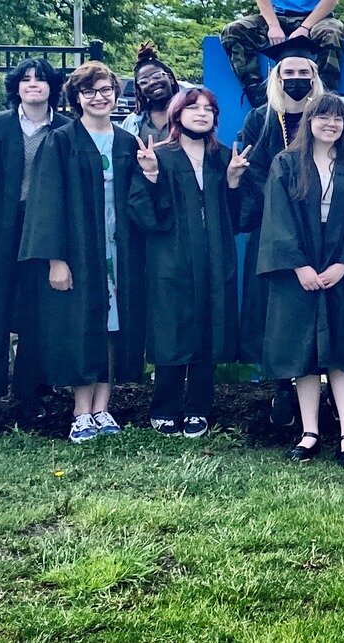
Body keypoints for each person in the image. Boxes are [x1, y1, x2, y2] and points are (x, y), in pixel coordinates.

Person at [21, 61, 148, 444]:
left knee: (114, 325)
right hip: (79, 251)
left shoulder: (128, 143)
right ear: (76, 98)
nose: (99, 97)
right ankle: (81, 412)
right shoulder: (61, 141)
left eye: (106, 89)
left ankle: (103, 408)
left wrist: (152, 175)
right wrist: (56, 259)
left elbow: (141, 203)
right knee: (82, 325)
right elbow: (46, 204)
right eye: (89, 91)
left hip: (119, 252)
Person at [257, 93, 344, 467]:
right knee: (303, 353)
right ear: (308, 121)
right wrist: (299, 267)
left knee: (343, 353)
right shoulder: (286, 164)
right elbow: (277, 218)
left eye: (338, 118)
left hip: (341, 268)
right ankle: (309, 432)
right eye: (323, 117)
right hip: (302, 267)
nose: (331, 124)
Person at [127, 87, 246, 437]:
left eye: (209, 109)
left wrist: (234, 183)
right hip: (171, 258)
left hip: (213, 257)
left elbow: (239, 219)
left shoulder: (225, 157)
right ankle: (164, 406)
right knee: (171, 328)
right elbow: (142, 213)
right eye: (193, 107)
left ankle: (198, 408)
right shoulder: (159, 156)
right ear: (177, 114)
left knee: (209, 329)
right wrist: (150, 177)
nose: (201, 113)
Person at [0, 57, 70, 428]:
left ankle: (29, 393)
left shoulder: (65, 128)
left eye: (40, 79)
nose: (33, 85)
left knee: (35, 310)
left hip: (42, 227)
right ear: (17, 88)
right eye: (25, 80)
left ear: (51, 87)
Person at [235, 39, 323, 425]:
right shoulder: (262, 117)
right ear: (277, 76)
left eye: (304, 74)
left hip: (318, 230)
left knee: (314, 309)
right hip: (272, 228)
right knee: (274, 309)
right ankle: (283, 388)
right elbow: (251, 172)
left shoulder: (325, 115)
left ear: (314, 77)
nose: (297, 79)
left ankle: (318, 390)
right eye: (289, 73)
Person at [120, 44, 181, 144]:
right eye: (144, 81)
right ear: (140, 89)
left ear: (170, 78)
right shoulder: (131, 122)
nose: (152, 82)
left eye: (157, 76)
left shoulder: (189, 114)